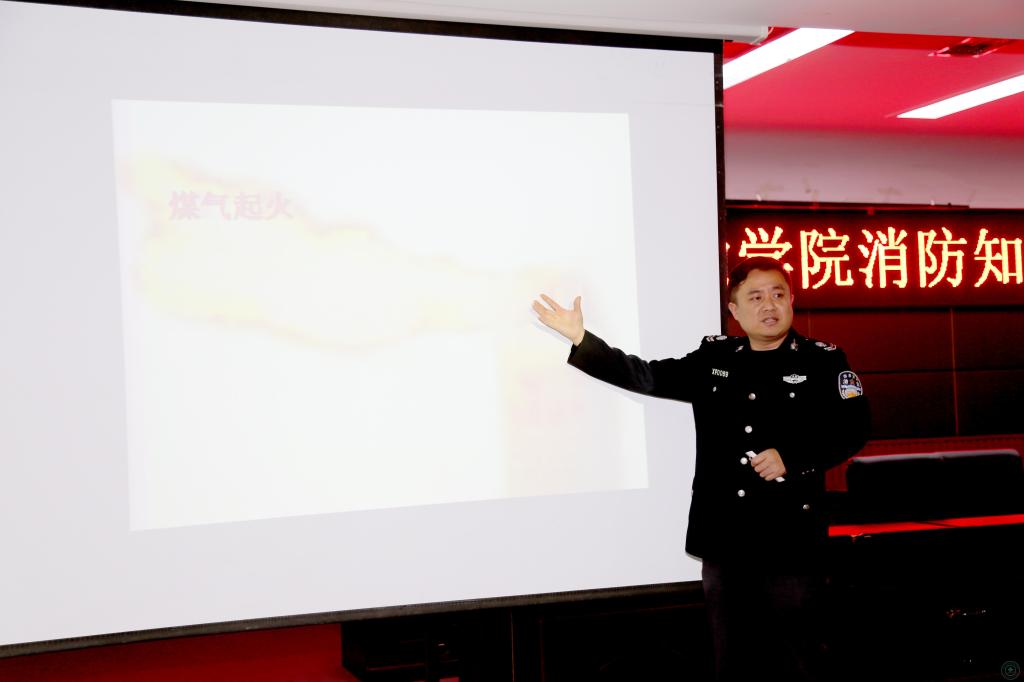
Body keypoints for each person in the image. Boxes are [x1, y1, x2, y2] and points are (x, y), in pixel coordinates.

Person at [532, 256, 870, 682]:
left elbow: (855, 428)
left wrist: (794, 457)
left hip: (791, 539)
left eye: (778, 294)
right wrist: (582, 338)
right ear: (734, 310)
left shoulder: (824, 361)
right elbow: (647, 376)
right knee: (732, 657)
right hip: (725, 539)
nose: (769, 305)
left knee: (800, 656)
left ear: (791, 301)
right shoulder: (716, 357)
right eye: (755, 297)